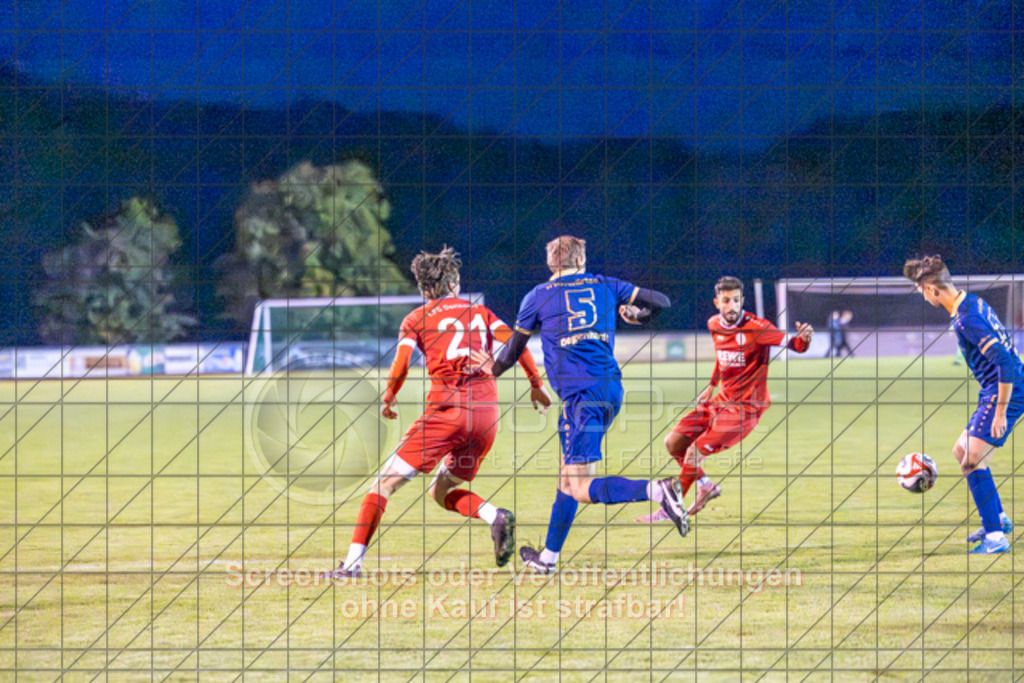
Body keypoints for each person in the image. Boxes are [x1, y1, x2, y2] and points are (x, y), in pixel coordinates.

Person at [328, 247, 552, 578]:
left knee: (382, 485)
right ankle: (495, 517)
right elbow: (517, 344)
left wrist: (389, 395)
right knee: (442, 491)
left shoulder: (415, 319)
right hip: (486, 415)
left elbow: (401, 363)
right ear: (452, 284)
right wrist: (536, 382)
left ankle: (350, 566)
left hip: (447, 412)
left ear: (425, 289)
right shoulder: (481, 313)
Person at [471, 235, 688, 575]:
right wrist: (638, 317)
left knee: (581, 486)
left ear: (550, 262)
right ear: (581, 260)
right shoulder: (606, 285)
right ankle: (548, 558)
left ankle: (656, 490)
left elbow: (513, 349)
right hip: (609, 389)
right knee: (565, 477)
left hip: (580, 398)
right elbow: (661, 300)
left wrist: (488, 371)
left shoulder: (538, 296)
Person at [638, 276, 813, 522]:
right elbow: (723, 358)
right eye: (727, 301)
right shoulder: (713, 324)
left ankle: (670, 509)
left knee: (694, 453)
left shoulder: (758, 327)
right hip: (719, 402)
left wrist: (804, 338)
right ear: (716, 303)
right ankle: (706, 486)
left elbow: (795, 345)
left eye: (737, 300)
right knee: (673, 443)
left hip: (746, 410)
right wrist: (711, 386)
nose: (732, 306)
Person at [904, 255, 1017, 553]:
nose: (923, 297)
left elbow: (1003, 361)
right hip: (995, 388)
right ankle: (999, 518)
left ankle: (995, 538)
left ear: (932, 289)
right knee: (961, 451)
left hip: (1005, 388)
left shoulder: (969, 318)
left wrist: (1001, 412)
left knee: (972, 460)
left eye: (921, 292)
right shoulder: (971, 304)